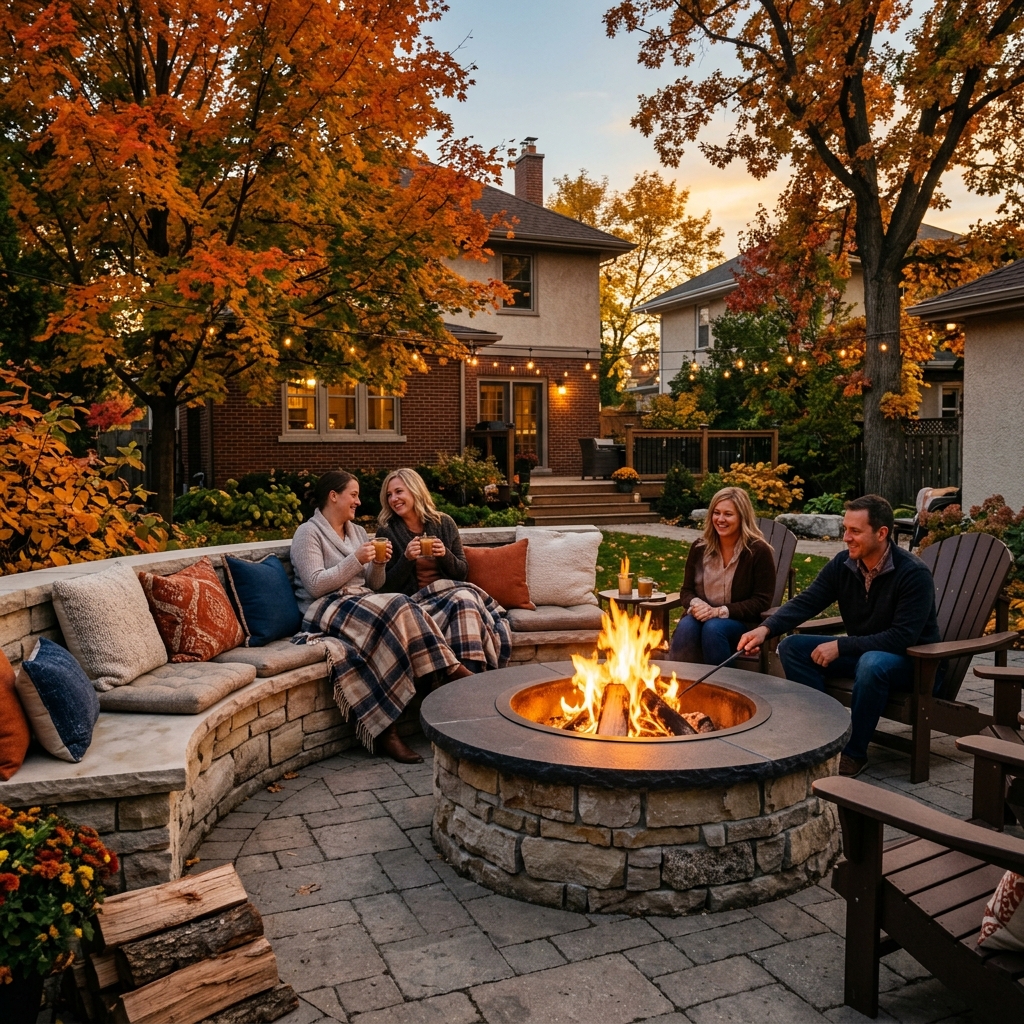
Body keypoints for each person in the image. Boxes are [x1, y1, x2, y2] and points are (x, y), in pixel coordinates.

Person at [737, 494, 941, 778]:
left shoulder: (913, 574)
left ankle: (854, 753)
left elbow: (902, 637)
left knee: (872, 663)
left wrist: (841, 646)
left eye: (855, 531)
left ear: (882, 533)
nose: (846, 538)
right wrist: (765, 628)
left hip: (916, 665)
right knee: (793, 647)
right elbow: (807, 601)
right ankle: (825, 732)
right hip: (865, 656)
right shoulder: (845, 564)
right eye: (846, 529)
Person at [290, 470, 473, 765]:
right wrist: (357, 559)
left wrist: (378, 563)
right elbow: (314, 585)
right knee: (397, 606)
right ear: (333, 496)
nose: (358, 502)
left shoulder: (358, 533)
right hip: (324, 607)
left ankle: (393, 722)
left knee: (397, 611)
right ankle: (446, 673)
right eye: (353, 495)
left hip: (361, 601)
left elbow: (374, 585)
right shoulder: (308, 533)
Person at [375, 468, 511, 673]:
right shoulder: (387, 531)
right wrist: (407, 559)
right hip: (417, 604)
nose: (394, 499)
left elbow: (462, 573)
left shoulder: (444, 523)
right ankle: (474, 679)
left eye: (399, 492)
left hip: (450, 595)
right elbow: (385, 586)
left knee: (464, 601)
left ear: (414, 490)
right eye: (389, 495)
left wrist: (444, 554)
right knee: (464, 600)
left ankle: (469, 674)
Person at [668, 486, 775, 665]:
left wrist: (719, 611)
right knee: (687, 626)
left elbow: (762, 601)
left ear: (742, 517)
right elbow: (686, 591)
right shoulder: (700, 548)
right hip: (702, 618)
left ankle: (722, 689)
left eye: (728, 514)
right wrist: (696, 605)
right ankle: (678, 685)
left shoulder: (757, 551)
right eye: (716, 513)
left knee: (713, 628)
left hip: (740, 624)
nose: (720, 519)